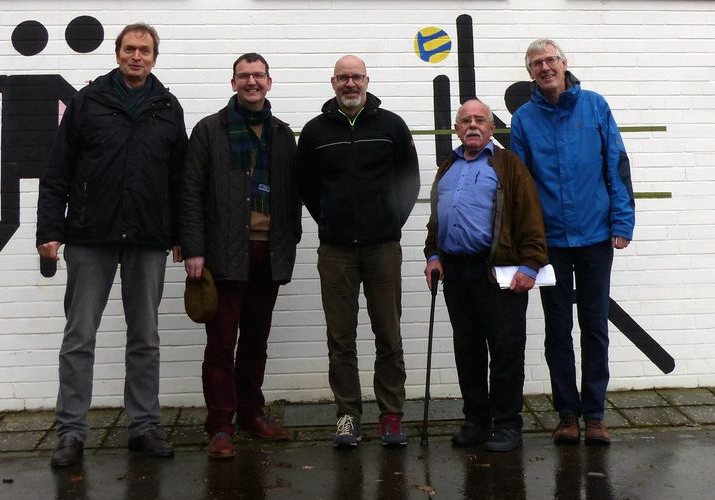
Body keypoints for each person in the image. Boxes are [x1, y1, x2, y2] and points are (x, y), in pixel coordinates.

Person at [36, 23, 188, 467]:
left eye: (144, 50)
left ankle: (144, 427)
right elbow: (57, 170)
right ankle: (71, 433)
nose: (136, 56)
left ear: (155, 57)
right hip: (90, 234)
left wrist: (181, 235)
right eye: (129, 49)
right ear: (117, 53)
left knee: (145, 337)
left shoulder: (168, 107)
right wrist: (50, 229)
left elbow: (179, 179)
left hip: (147, 236)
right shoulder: (88, 101)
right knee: (79, 336)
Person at [510, 39, 635, 446]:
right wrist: (527, 242)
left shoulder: (595, 106)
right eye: (537, 63)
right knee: (558, 329)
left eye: (551, 60)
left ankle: (595, 415)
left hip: (596, 235)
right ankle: (567, 414)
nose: (545, 68)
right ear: (530, 73)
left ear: (565, 64)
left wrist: (622, 221)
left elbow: (616, 164)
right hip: (551, 243)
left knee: (594, 327)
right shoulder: (524, 119)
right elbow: (521, 185)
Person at [180, 53, 301, 459]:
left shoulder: (282, 134)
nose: (252, 82)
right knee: (220, 344)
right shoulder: (209, 130)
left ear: (270, 82)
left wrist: (292, 237)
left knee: (255, 341)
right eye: (244, 76)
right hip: (223, 253)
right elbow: (191, 191)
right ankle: (220, 426)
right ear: (233, 83)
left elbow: (293, 193)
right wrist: (194, 248)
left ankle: (251, 414)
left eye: (258, 75)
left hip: (269, 251)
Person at [297, 55, 420, 448]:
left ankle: (391, 416)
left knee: (389, 335)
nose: (350, 84)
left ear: (367, 80)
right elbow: (306, 185)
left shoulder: (391, 126)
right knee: (340, 340)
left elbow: (409, 179)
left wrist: (390, 221)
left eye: (356, 77)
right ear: (333, 82)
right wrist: (328, 220)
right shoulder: (314, 131)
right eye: (343, 77)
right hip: (336, 251)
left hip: (382, 248)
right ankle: (347, 416)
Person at [423, 99, 548, 452]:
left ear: (492, 128)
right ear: (456, 129)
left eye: (480, 120)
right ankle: (476, 421)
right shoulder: (447, 166)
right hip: (457, 273)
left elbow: (530, 215)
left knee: (506, 349)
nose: (473, 125)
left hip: (498, 274)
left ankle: (506, 424)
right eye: (466, 121)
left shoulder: (509, 165)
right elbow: (437, 220)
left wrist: (531, 264)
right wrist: (433, 255)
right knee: (468, 350)